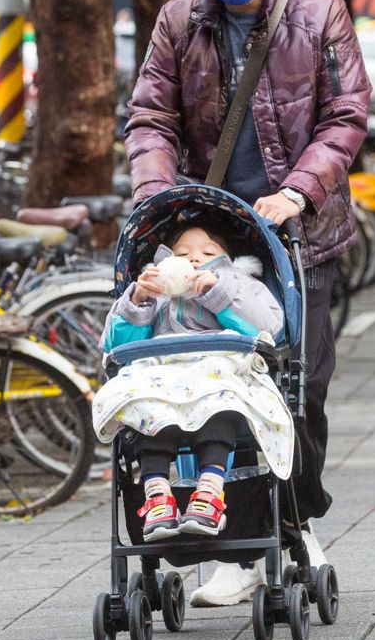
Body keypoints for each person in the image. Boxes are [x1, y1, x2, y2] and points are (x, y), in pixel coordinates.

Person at [128, 0, 369, 606]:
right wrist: (156, 195)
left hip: (300, 233)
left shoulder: (318, 13)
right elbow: (151, 116)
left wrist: (298, 190)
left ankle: (293, 519)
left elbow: (347, 113)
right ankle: (235, 546)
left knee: (302, 389)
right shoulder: (179, 22)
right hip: (208, 233)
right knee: (205, 384)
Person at [94, 224, 288, 542]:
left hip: (217, 374)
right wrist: (140, 300)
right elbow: (116, 348)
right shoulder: (156, 289)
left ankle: (210, 492)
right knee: (142, 403)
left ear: (227, 259)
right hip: (162, 376)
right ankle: (156, 496)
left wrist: (217, 292)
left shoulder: (239, 282)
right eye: (183, 253)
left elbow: (268, 329)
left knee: (221, 399)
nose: (195, 258)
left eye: (208, 252)